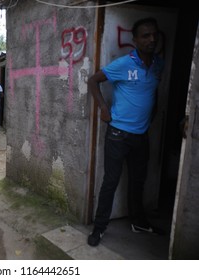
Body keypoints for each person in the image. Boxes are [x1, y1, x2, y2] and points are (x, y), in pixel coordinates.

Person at [87, 17, 165, 247]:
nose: (151, 39)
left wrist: (152, 113)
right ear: (135, 40)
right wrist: (103, 107)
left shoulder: (158, 64)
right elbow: (93, 80)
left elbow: (153, 91)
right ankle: (99, 228)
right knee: (110, 181)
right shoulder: (124, 64)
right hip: (118, 135)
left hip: (141, 135)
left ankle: (138, 221)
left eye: (154, 35)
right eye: (145, 35)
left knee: (138, 181)